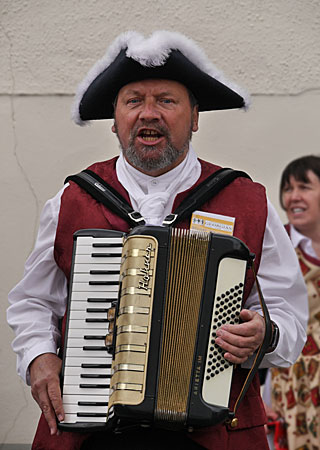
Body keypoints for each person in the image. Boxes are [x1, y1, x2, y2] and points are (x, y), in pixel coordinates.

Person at [7, 31, 308, 450]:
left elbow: (289, 316)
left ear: (196, 116)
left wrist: (265, 334)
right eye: (134, 101)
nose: (149, 114)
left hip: (213, 432)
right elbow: (34, 302)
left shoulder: (246, 200)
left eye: (166, 100)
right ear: (115, 119)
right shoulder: (73, 199)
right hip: (91, 431)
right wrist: (40, 356)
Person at [266, 155, 320, 450]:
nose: (293, 197)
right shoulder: (276, 247)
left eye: (304, 186)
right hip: (291, 387)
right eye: (287, 189)